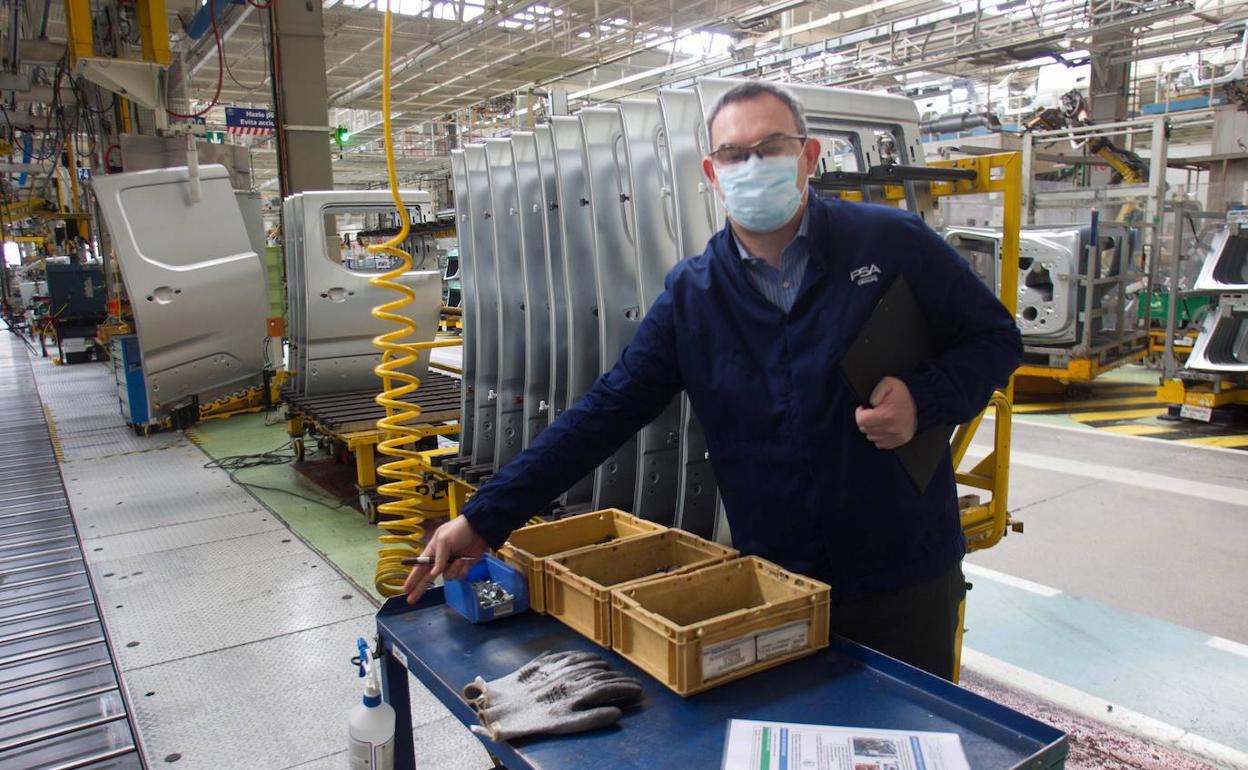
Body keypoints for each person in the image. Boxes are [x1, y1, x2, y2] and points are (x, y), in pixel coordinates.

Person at [403, 80, 1022, 681]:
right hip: (776, 585)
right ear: (711, 171)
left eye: (771, 148)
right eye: (733, 154)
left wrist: (923, 399)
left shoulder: (889, 244)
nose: (751, 166)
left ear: (809, 156)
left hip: (906, 573)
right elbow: (605, 412)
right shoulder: (694, 296)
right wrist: (483, 518)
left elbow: (996, 340)